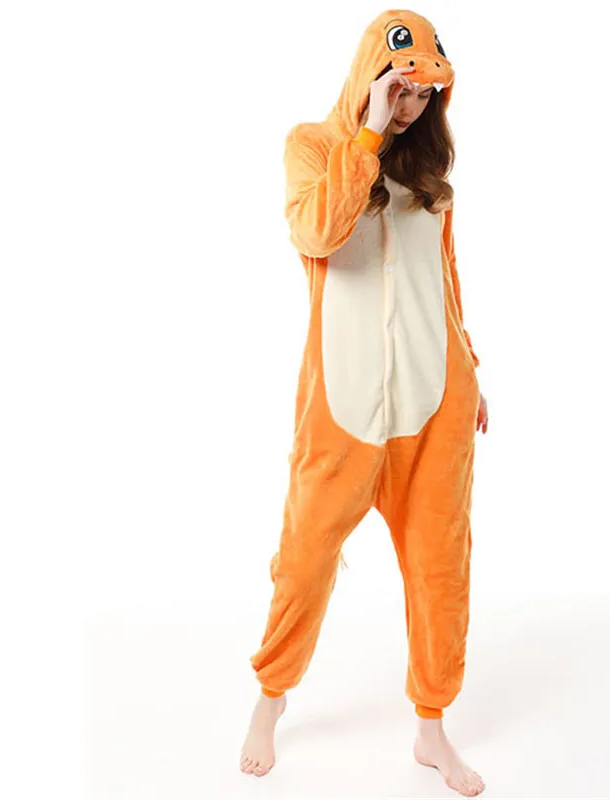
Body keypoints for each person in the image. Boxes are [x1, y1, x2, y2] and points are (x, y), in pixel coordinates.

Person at [240, 9, 488, 797]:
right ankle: (271, 698)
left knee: (441, 570)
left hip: (435, 400)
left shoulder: (430, 175)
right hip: (342, 407)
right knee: (305, 559)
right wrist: (370, 133)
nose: (410, 106)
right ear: (370, 77)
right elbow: (316, 233)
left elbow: (444, 279)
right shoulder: (314, 148)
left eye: (422, 95)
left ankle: (431, 728)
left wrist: (472, 368)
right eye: (398, 88)